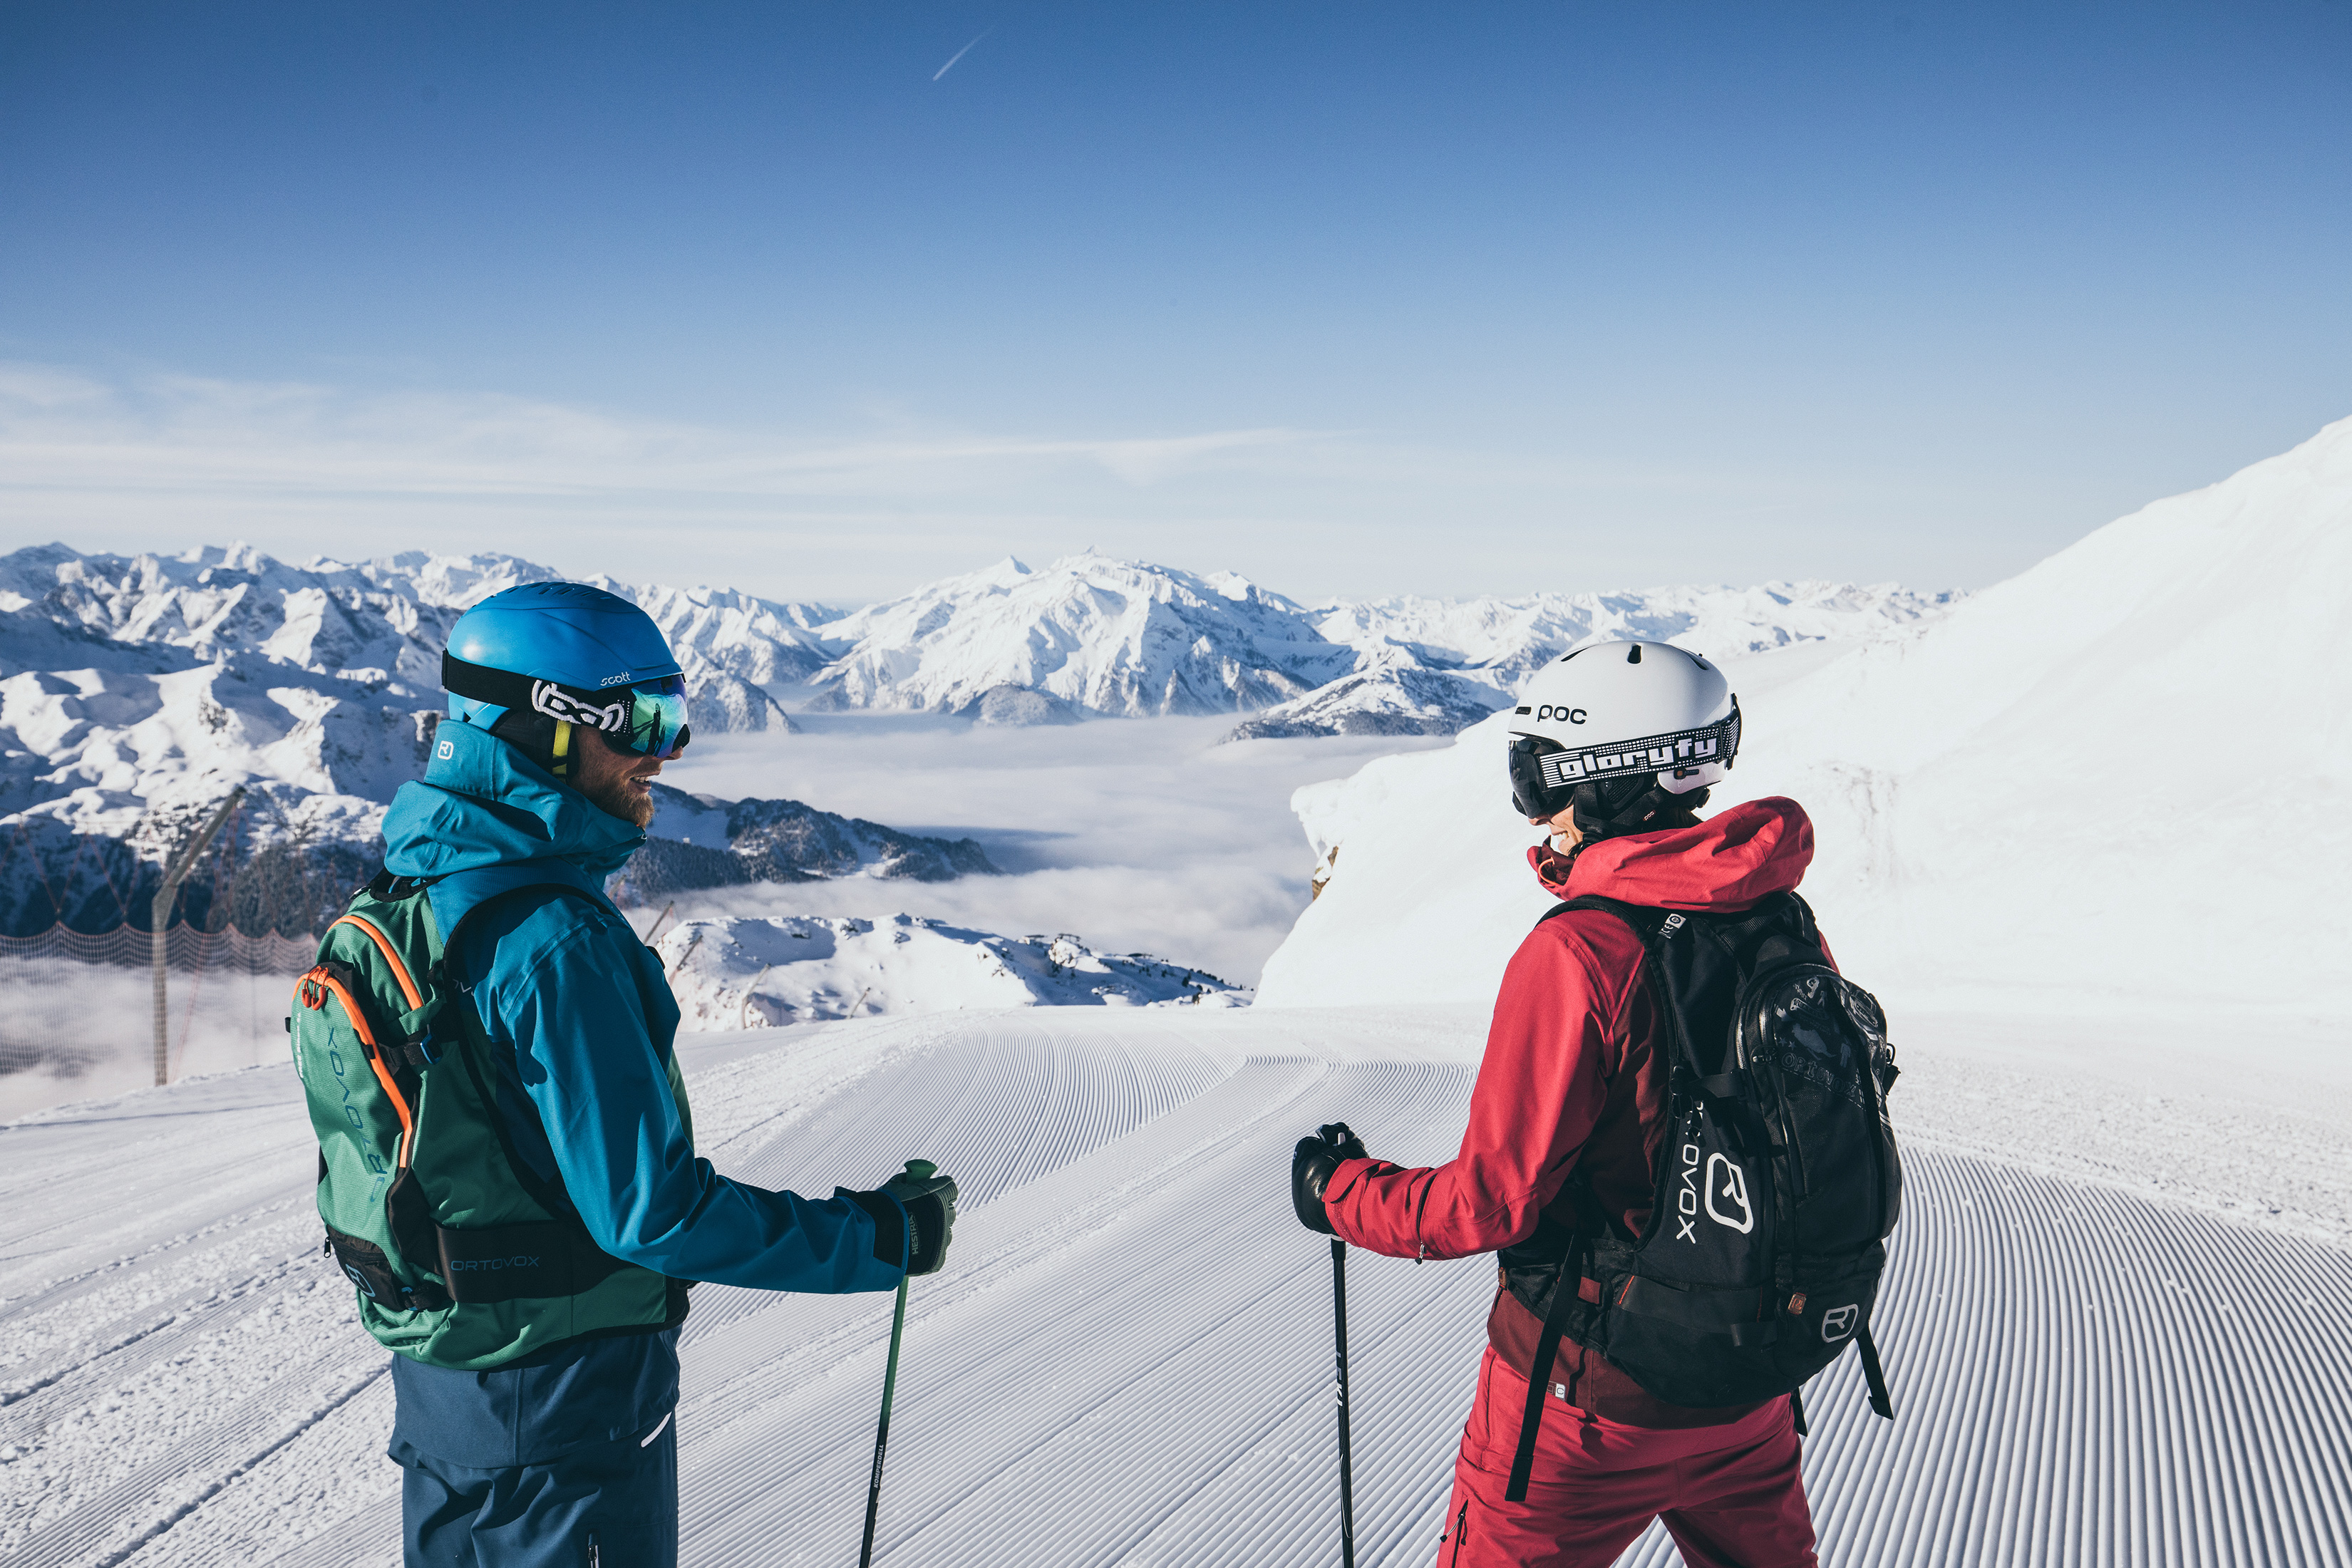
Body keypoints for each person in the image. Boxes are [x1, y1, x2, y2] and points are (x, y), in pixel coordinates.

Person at [372, 581, 957, 1567]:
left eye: (674, 717)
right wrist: (877, 1239)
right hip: (568, 1421)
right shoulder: (553, 940)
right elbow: (652, 1216)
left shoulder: (415, 892)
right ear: (546, 724)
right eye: (644, 718)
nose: (666, 751)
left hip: (452, 1404)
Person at [1291, 641, 1820, 1568]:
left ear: (1605, 779)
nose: (1535, 812)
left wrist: (1341, 1193)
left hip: (1587, 1406)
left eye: (1538, 780)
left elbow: (1488, 1205)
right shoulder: (1779, 918)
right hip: (1747, 1388)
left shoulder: (1580, 954)